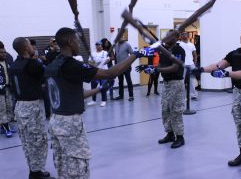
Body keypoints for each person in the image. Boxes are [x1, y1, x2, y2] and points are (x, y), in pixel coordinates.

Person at [45, 27, 153, 178]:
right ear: (70, 42)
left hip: (55, 121)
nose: (78, 44)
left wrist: (99, 89)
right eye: (76, 41)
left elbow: (75, 93)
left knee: (63, 166)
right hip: (70, 124)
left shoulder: (54, 64)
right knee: (78, 168)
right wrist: (136, 54)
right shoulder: (72, 65)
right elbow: (111, 73)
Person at [196, 25, 241, 172]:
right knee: (239, 125)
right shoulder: (234, 53)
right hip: (237, 93)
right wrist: (201, 70)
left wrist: (227, 74)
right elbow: (219, 65)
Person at [10, 37, 55, 179]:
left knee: (27, 142)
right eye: (30, 45)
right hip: (32, 107)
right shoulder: (32, 64)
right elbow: (48, 73)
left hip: (19, 106)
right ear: (25, 48)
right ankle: (36, 174)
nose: (33, 47)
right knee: (38, 141)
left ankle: (34, 170)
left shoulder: (15, 65)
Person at [136, 30, 186, 149]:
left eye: (170, 36)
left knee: (175, 111)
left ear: (177, 38)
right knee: (165, 110)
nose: (167, 37)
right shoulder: (164, 51)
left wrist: (157, 70)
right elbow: (161, 65)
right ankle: (169, 134)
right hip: (166, 84)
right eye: (167, 35)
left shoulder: (178, 50)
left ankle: (180, 137)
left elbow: (174, 67)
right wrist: (149, 66)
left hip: (176, 83)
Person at [87, 40, 110, 107]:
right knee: (93, 86)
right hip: (95, 72)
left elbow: (108, 59)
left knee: (103, 86)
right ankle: (93, 100)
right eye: (97, 45)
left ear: (101, 45)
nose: (98, 46)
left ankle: (103, 101)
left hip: (103, 72)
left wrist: (102, 64)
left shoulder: (105, 53)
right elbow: (89, 61)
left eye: (99, 45)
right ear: (96, 46)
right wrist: (93, 65)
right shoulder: (93, 53)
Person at [0, 41, 14, 138]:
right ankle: (7, 129)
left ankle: (5, 125)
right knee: (2, 109)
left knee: (9, 107)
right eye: (1, 52)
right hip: (0, 90)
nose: (4, 54)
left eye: (5, 52)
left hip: (8, 88)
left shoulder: (8, 61)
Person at [114, 37, 135, 101]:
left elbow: (132, 54)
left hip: (126, 67)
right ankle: (121, 95)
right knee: (120, 81)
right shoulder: (116, 45)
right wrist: (116, 65)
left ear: (123, 38)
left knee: (128, 81)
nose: (119, 38)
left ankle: (131, 96)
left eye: (120, 37)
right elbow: (116, 55)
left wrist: (129, 63)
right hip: (119, 67)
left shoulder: (127, 45)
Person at [179, 32, 198, 100]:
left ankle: (193, 95)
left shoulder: (191, 45)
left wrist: (194, 64)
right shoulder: (179, 44)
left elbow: (195, 55)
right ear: (180, 36)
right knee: (181, 80)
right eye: (182, 34)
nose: (184, 35)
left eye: (185, 34)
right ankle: (182, 96)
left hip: (191, 64)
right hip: (182, 64)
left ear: (188, 35)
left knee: (192, 80)